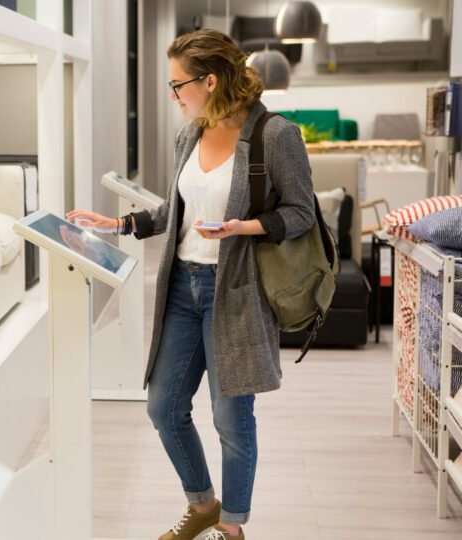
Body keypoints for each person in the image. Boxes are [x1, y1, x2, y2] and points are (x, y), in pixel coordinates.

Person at [67, 29, 315, 540]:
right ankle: (202, 504)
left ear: (211, 80)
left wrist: (241, 227)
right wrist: (119, 225)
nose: (174, 96)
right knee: (163, 407)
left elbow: (302, 213)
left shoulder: (275, 135)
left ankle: (231, 526)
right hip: (182, 287)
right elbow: (175, 211)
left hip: (237, 292)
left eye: (178, 85)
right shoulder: (191, 133)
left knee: (230, 415)